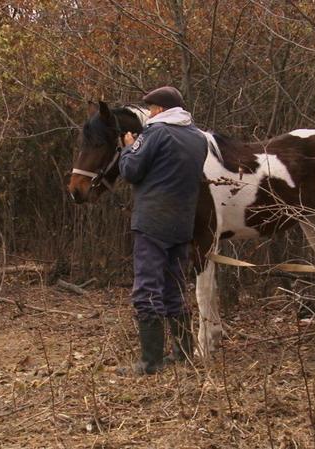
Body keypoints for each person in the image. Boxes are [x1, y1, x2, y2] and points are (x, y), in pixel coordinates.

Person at [117, 86, 208, 375]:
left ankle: (150, 360)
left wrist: (128, 147)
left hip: (152, 221)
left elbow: (131, 171)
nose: (151, 113)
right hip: (182, 223)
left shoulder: (155, 133)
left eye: (153, 108)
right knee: (176, 287)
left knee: (148, 288)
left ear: (159, 109)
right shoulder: (198, 137)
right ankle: (183, 354)